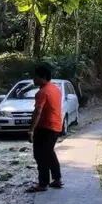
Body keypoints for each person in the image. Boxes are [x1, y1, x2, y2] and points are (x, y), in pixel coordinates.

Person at [27, 64, 63, 192]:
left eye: (35, 77)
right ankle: (57, 179)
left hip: (45, 128)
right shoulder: (56, 89)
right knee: (49, 153)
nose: (33, 79)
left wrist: (31, 130)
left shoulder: (42, 92)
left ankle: (43, 183)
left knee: (40, 155)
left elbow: (37, 111)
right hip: (56, 126)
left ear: (42, 77)